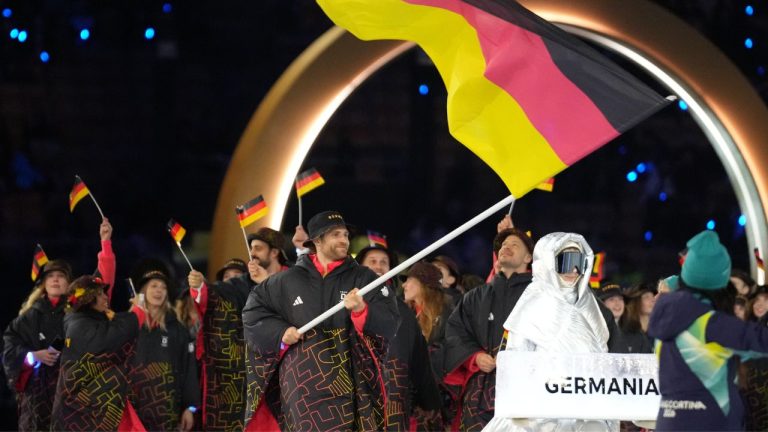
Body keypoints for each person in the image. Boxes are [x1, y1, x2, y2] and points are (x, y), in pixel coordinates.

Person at [242, 210, 399, 431]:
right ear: (317, 240)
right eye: (336, 234)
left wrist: (363, 311)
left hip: (349, 384)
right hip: (300, 389)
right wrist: (280, 332)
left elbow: (390, 320)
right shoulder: (285, 281)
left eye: (345, 235)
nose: (344, 240)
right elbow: (252, 313)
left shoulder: (365, 279)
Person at [486, 232, 615, 432]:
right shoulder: (533, 301)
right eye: (566, 261)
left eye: (579, 262)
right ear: (549, 262)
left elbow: (603, 357)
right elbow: (517, 360)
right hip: (541, 409)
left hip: (585, 405)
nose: (573, 269)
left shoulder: (589, 303)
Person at [648, 230, 768, 431]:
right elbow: (760, 341)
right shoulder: (711, 324)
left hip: (669, 422)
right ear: (721, 280)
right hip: (710, 423)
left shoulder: (664, 318)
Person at [3, 219, 114, 431]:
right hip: (37, 402)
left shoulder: (79, 310)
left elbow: (102, 281)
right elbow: (9, 347)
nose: (55, 280)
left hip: (73, 397)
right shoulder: (28, 318)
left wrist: (105, 243)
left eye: (61, 276)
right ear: (43, 284)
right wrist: (33, 356)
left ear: (69, 283)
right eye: (51, 276)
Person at [186, 227, 287, 431]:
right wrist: (199, 288)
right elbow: (212, 294)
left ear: (274, 252)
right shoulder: (240, 284)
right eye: (251, 248)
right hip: (251, 373)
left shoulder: (294, 277)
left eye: (258, 248)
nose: (253, 253)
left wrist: (267, 284)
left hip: (288, 371)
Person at [442, 227, 534, 431]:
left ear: (528, 257)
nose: (506, 248)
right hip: (482, 389)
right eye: (503, 245)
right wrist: (474, 357)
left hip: (528, 386)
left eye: (514, 245)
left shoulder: (540, 295)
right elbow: (455, 331)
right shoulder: (475, 296)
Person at [356, 246, 443, 431]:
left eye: (384, 262)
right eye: (372, 261)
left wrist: (430, 403)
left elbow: (420, 362)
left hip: (393, 403)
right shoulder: (341, 305)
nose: (378, 266)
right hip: (351, 398)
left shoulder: (402, 311)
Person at [51, 274, 147, 431]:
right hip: (81, 413)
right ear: (88, 298)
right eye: (100, 293)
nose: (105, 297)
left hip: (84, 411)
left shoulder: (85, 320)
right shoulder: (80, 325)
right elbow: (115, 337)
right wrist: (138, 311)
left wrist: (107, 249)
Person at [128, 270, 199, 431]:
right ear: (143, 292)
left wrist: (190, 408)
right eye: (153, 286)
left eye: (163, 287)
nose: (159, 290)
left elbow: (188, 370)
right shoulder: (128, 326)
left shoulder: (178, 329)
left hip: (167, 413)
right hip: (133, 410)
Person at [618, 284, 655, 353]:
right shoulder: (624, 332)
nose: (653, 300)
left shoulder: (658, 331)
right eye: (646, 297)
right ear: (636, 301)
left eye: (653, 296)